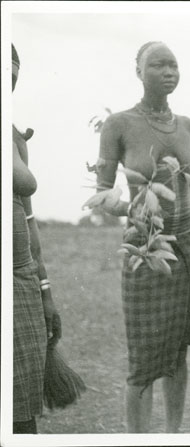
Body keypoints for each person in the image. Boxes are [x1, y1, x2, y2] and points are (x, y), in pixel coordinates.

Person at [95, 41, 190, 433]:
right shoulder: (118, 125)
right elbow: (103, 193)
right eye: (158, 65)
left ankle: (173, 436)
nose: (168, 72)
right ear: (138, 71)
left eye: (174, 65)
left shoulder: (188, 127)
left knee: (176, 353)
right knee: (145, 360)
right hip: (146, 249)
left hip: (187, 248)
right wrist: (134, 207)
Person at [12, 44, 62, 434]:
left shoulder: (13, 135)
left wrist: (44, 290)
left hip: (22, 281)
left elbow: (28, 219)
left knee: (22, 409)